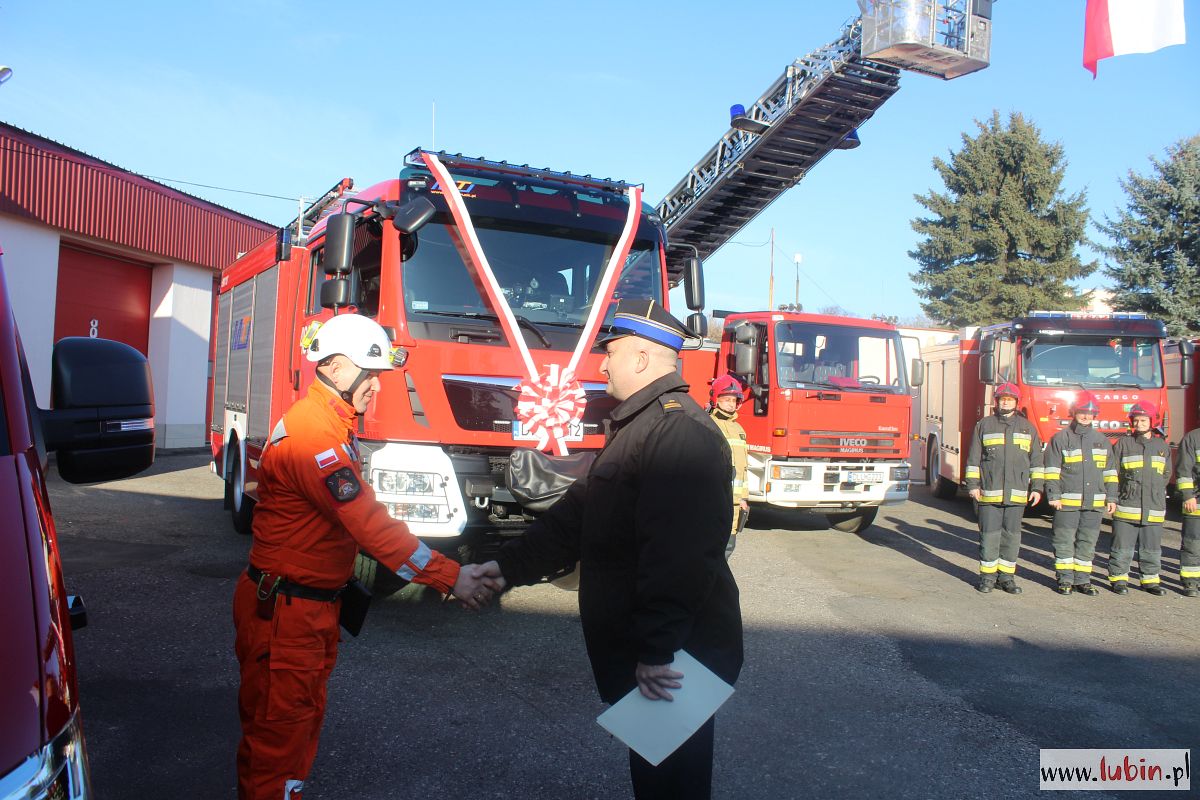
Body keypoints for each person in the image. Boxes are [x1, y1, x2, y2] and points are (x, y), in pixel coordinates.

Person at [472, 298, 743, 800]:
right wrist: (502, 569)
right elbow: (575, 518)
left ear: (641, 358)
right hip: (658, 647)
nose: (602, 365)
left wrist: (657, 651)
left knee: (673, 784)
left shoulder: (678, 431)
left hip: (676, 657)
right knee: (654, 774)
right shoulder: (641, 428)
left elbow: (680, 556)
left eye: (610, 352)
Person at [232, 313, 493, 800]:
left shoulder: (330, 426)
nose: (376, 385)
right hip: (289, 616)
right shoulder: (314, 438)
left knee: (289, 733)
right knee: (278, 744)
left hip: (300, 609)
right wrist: (449, 576)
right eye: (368, 374)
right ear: (333, 368)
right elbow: (370, 526)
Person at [964, 381, 1044, 594]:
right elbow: (973, 458)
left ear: (1016, 403)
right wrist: (972, 485)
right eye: (1002, 399)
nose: (1006, 403)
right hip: (989, 493)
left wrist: (1037, 488)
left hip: (1016, 494)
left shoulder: (1028, 428)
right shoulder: (984, 425)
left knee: (1011, 537)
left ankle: (1006, 578)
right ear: (997, 402)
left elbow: (1037, 461)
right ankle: (987, 578)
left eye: (1010, 399)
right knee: (989, 536)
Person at [1041, 391, 1117, 596]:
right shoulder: (1060, 438)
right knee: (1064, 541)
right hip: (1066, 502)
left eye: (1090, 413)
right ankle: (1065, 580)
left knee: (1087, 542)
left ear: (1095, 415)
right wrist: (1054, 495)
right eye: (1082, 412)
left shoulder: (1102, 440)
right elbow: (1051, 471)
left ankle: (1083, 580)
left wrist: (1111, 497)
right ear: (1073, 412)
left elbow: (1110, 472)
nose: (1085, 416)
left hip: (1094, 503)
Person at [1107, 401, 1170, 596]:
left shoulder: (1161, 446)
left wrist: (1155, 492)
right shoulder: (1124, 444)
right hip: (1127, 504)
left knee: (1151, 548)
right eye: (1136, 420)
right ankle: (1119, 579)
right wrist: (1113, 497)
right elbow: (1113, 473)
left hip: (1154, 506)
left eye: (1143, 420)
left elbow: (1166, 474)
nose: (1139, 424)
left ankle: (1150, 581)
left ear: (1152, 421)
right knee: (1122, 547)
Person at [709, 373, 750, 558]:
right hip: (714, 499)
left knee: (728, 546)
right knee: (710, 545)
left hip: (734, 502)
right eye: (726, 399)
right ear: (715, 399)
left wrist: (744, 498)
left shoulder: (739, 430)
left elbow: (744, 469)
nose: (731, 404)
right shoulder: (708, 424)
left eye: (734, 400)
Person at [1173, 424, 1200, 597]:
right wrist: (1188, 495)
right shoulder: (1193, 438)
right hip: (1196, 501)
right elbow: (1184, 469)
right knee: (1192, 543)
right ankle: (1191, 582)